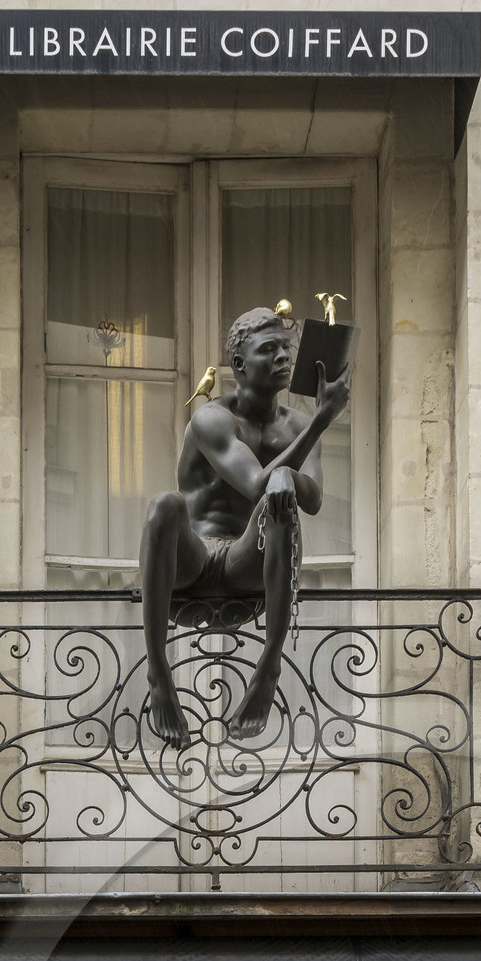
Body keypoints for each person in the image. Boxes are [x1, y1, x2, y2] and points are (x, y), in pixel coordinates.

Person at [139, 305, 352, 745]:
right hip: (194, 559)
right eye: (268, 349)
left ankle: (268, 667)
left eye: (286, 349)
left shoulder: (294, 423)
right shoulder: (211, 418)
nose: (282, 358)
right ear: (238, 364)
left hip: (247, 558)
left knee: (283, 491)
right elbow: (254, 483)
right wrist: (321, 422)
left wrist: (291, 467)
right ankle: (159, 673)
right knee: (164, 505)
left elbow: (311, 499)